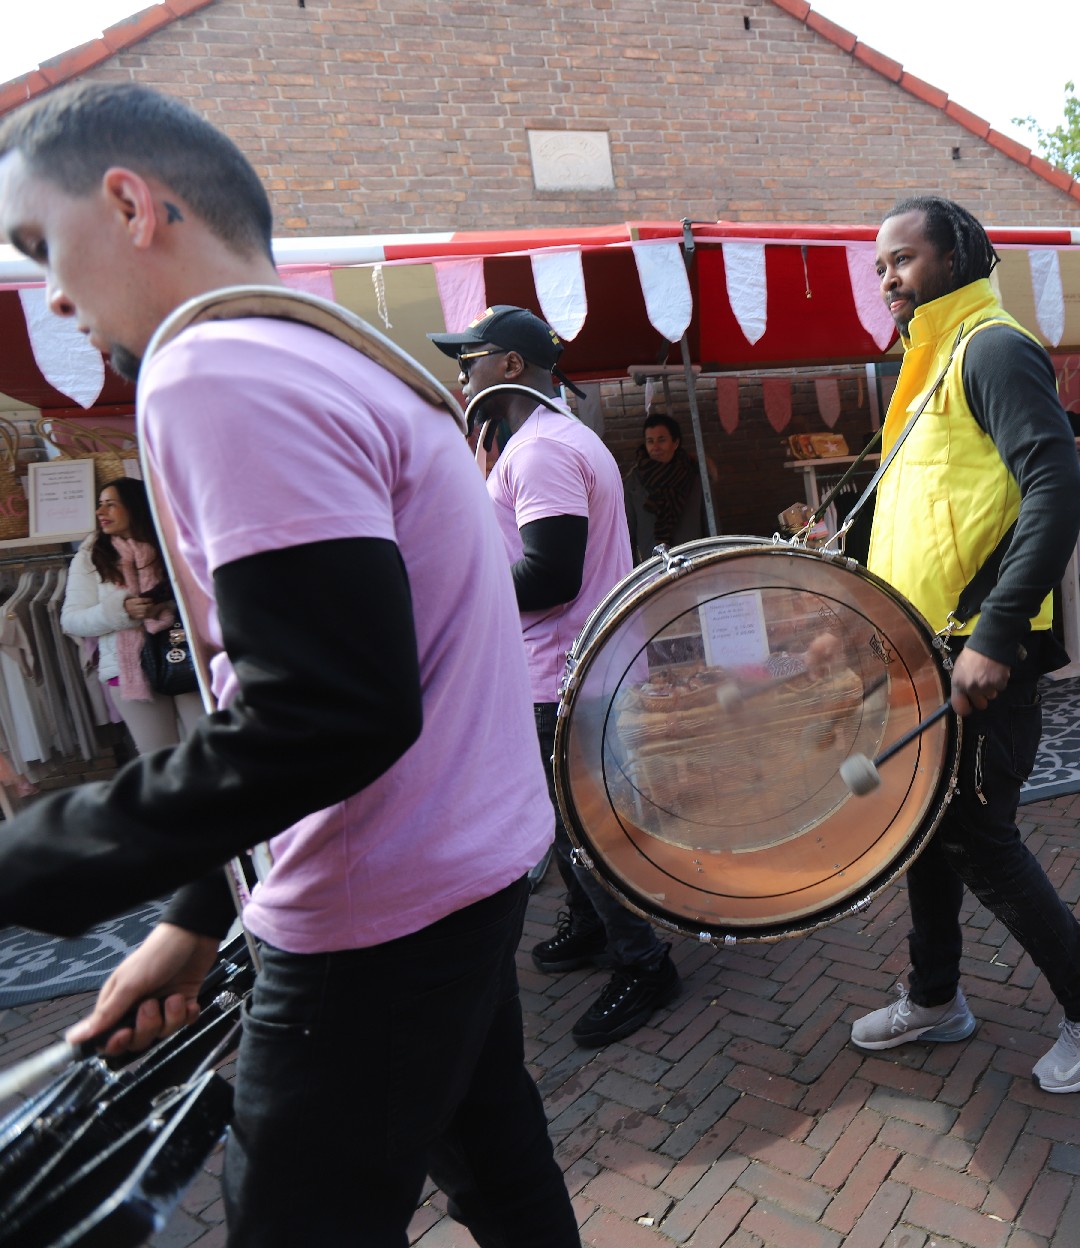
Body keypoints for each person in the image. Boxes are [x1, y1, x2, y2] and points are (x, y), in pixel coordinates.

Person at [0, 84, 579, 1245]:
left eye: (42, 245)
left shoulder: (217, 372)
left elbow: (326, 709)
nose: (53, 294)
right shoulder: (349, 360)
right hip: (461, 877)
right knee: (502, 1173)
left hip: (371, 917)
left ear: (130, 204)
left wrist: (26, 862)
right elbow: (332, 674)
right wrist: (197, 909)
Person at [849, 195, 1080, 1095]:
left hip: (977, 653)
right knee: (925, 830)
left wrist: (998, 632)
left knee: (980, 840)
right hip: (922, 648)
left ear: (958, 256)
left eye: (903, 259)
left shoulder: (992, 348)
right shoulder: (928, 363)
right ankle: (935, 997)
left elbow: (1057, 493)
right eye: (880, 266)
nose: (888, 278)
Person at [428, 305, 682, 1049]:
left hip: (563, 672)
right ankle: (596, 926)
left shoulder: (540, 450)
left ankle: (645, 963)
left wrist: (457, 585)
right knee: (571, 822)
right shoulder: (550, 438)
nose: (461, 374)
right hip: (572, 665)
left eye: (470, 358)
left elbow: (550, 575)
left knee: (582, 828)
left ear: (510, 365)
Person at [60, 475, 206, 752]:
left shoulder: (174, 545)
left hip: (185, 657)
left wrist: (167, 606)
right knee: (159, 759)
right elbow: (71, 620)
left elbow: (204, 596)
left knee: (209, 754)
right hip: (129, 671)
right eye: (100, 504)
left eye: (110, 504)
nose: (100, 512)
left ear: (136, 507)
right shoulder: (92, 555)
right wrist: (120, 611)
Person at [624, 412, 707, 564]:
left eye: (661, 440)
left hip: (694, 562)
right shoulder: (634, 483)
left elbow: (710, 525)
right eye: (650, 441)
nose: (655, 447)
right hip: (655, 567)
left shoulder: (694, 478)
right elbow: (628, 536)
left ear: (675, 443)